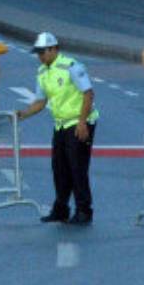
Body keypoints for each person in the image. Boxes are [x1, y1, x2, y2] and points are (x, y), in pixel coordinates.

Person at [16, 32, 99, 226]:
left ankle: (84, 210)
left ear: (53, 49)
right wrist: (22, 114)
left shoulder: (71, 66)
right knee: (59, 168)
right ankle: (61, 209)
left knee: (77, 168)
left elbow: (88, 94)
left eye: (42, 52)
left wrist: (82, 122)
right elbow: (40, 101)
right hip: (61, 124)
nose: (40, 56)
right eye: (38, 53)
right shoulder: (42, 72)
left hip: (79, 122)